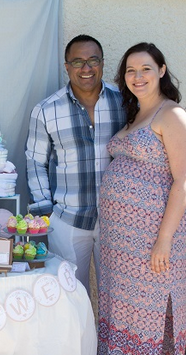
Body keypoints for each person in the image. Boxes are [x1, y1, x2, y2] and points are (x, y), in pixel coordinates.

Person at [97, 42, 186, 355]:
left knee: (149, 314)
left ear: (162, 70)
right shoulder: (135, 116)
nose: (138, 77)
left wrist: (164, 238)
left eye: (146, 68)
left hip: (154, 240)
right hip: (120, 244)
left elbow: (183, 181)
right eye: (131, 71)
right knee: (127, 313)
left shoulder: (172, 115)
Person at [26, 35, 126, 296]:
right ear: (66, 66)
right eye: (78, 61)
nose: (86, 68)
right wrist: (46, 211)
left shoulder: (125, 102)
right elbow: (35, 161)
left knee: (117, 297)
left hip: (117, 220)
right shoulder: (46, 110)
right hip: (68, 219)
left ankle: (109, 340)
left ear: (103, 63)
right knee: (71, 298)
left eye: (93, 60)